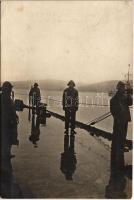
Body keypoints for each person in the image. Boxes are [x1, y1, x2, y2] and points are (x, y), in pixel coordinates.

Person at [1, 81, 19, 197]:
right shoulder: (7, 99)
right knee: (6, 141)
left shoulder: (6, 98)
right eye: (9, 89)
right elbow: (11, 112)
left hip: (6, 125)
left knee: (6, 141)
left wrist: (15, 116)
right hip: (6, 125)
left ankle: (6, 154)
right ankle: (5, 157)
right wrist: (14, 118)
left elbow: (12, 111)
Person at [110, 81, 132, 172]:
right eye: (121, 87)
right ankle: (115, 151)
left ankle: (121, 148)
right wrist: (117, 117)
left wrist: (129, 94)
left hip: (125, 119)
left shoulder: (125, 96)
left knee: (123, 134)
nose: (123, 89)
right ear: (118, 88)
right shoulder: (114, 98)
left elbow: (130, 103)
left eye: (123, 87)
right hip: (119, 120)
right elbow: (113, 110)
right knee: (116, 135)